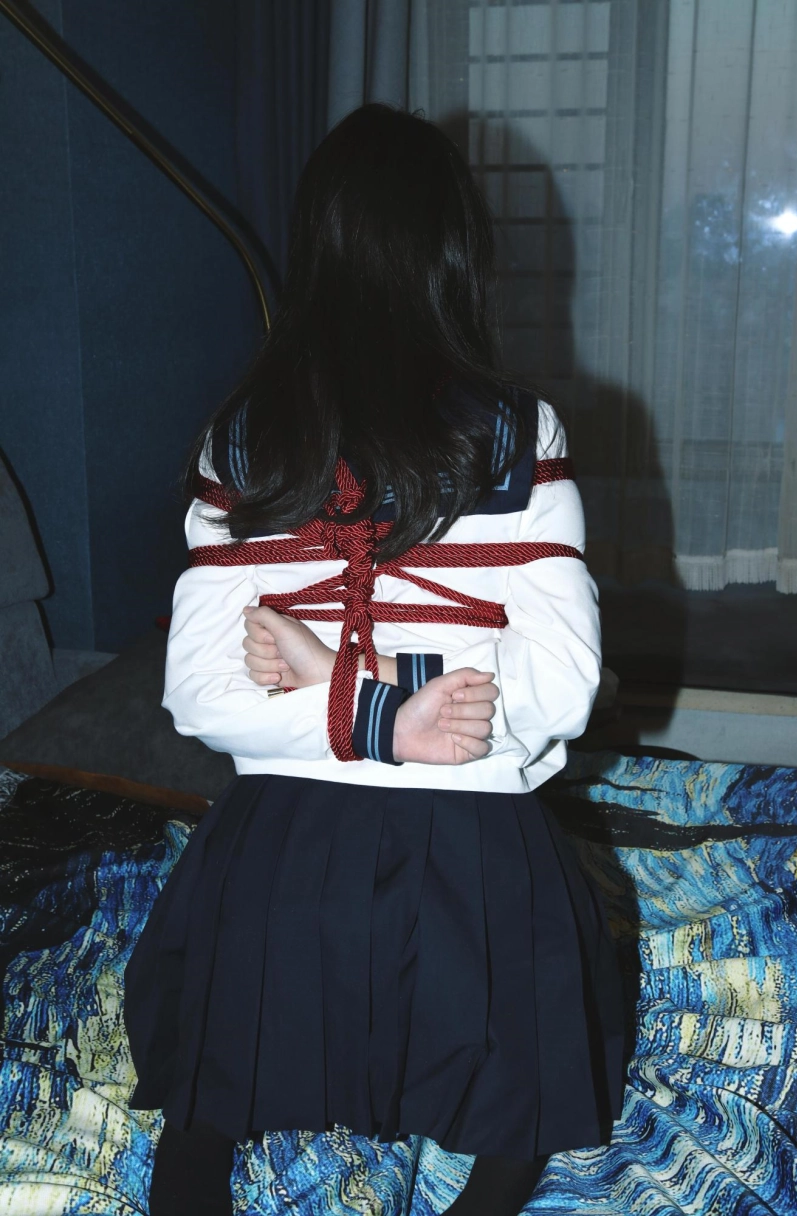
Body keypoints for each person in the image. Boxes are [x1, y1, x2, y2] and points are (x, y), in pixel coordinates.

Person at [124, 102, 625, 1216]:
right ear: (457, 254)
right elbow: (560, 689)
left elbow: (200, 695)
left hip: (280, 859)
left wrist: (332, 681)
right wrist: (398, 715)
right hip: (471, 852)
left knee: (208, 1074)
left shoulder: (239, 437)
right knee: (546, 1059)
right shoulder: (521, 433)